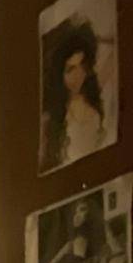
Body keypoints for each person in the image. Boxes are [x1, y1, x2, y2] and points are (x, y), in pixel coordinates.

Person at [40, 19, 108, 171]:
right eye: (70, 69)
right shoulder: (52, 118)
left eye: (81, 65)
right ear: (60, 74)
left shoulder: (92, 96)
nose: (78, 75)